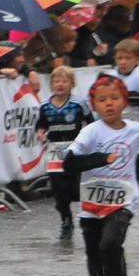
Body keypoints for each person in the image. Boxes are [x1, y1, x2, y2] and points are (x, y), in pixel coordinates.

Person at [64, 74, 139, 276]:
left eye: (114, 98)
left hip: (123, 201)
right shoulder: (90, 132)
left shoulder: (137, 131)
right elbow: (69, 163)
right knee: (94, 254)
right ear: (94, 104)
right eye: (102, 100)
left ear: (124, 101)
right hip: (92, 204)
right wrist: (102, 159)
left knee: (110, 244)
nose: (109, 104)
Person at [38, 65, 91, 239]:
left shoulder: (79, 104)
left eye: (64, 81)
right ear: (51, 84)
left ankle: (84, 212)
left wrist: (88, 141)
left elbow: (90, 123)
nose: (60, 84)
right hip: (54, 151)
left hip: (74, 149)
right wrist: (40, 132)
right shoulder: (45, 106)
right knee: (58, 188)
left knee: (75, 189)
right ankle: (66, 218)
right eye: (57, 81)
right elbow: (41, 124)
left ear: (72, 84)